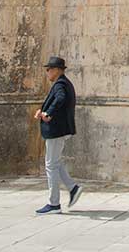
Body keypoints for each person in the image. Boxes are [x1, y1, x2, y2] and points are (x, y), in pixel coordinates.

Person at [33, 54, 82, 215]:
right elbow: (57, 101)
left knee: (50, 165)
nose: (47, 72)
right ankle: (73, 188)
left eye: (48, 70)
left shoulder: (60, 85)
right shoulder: (64, 83)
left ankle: (54, 203)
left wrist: (49, 114)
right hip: (60, 129)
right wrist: (44, 110)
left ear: (56, 70)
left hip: (56, 130)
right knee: (55, 162)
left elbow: (60, 99)